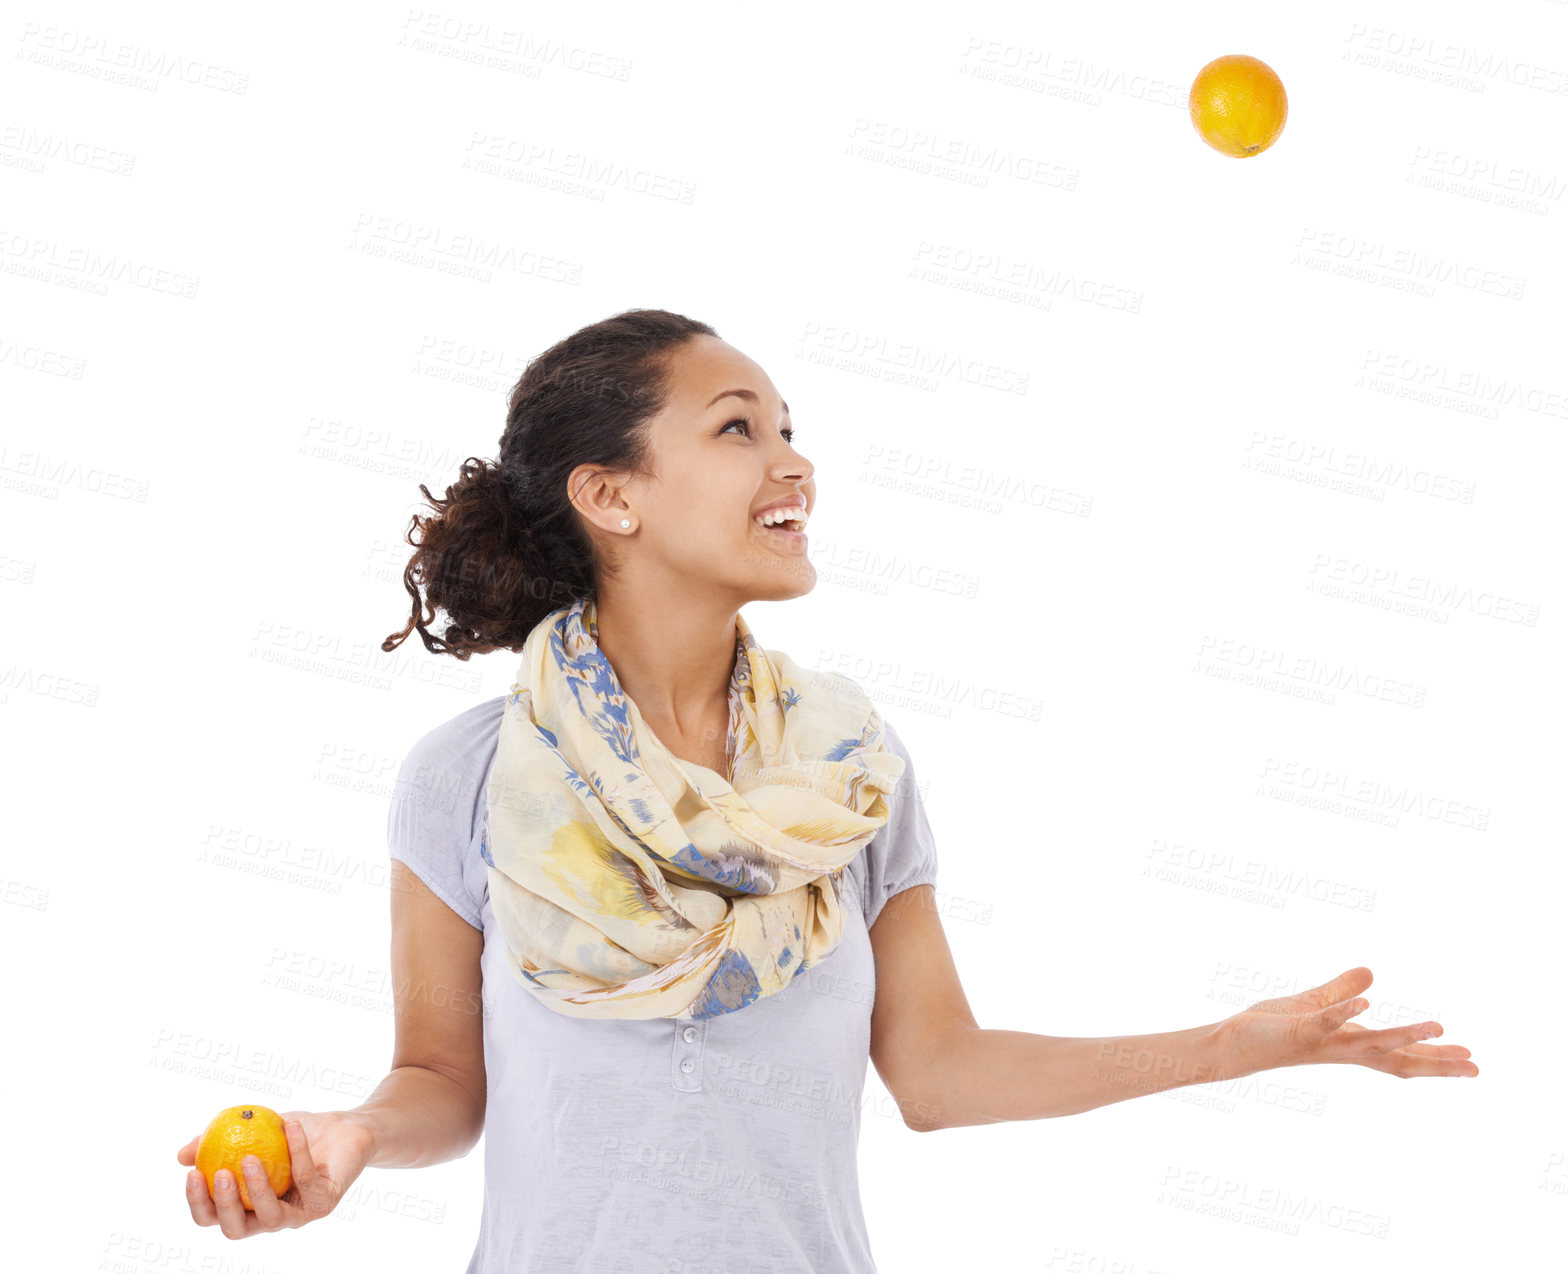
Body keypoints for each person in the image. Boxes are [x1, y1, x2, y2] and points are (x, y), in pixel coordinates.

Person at [175, 308, 1479, 1268]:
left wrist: (1229, 1047)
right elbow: (444, 1083)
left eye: (790, 430)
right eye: (739, 429)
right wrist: (348, 1132)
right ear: (610, 495)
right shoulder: (466, 781)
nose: (793, 465)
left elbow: (937, 1071)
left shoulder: (847, 779)